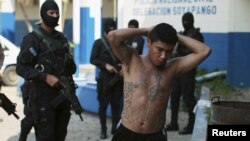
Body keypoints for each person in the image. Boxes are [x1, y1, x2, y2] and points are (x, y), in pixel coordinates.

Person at [107, 23, 211, 141]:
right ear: (149, 42)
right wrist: (147, 30)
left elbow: (205, 51)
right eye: (159, 49)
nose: (163, 56)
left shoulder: (173, 68)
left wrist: (175, 36)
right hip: (127, 133)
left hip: (155, 135)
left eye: (168, 51)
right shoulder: (132, 60)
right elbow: (112, 36)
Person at [16, 0, 76, 141]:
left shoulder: (61, 38)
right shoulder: (32, 39)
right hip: (42, 99)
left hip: (62, 97)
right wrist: (44, 77)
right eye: (51, 13)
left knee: (60, 136)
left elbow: (71, 69)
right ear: (43, 14)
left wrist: (68, 65)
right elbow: (21, 68)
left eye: (57, 13)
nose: (55, 16)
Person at [165, 12, 204, 135]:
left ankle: (191, 125)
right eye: (183, 20)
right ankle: (174, 123)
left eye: (187, 21)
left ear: (192, 21)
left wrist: (181, 47)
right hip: (178, 71)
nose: (185, 23)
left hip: (188, 72)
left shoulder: (197, 35)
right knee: (174, 97)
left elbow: (194, 52)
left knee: (188, 100)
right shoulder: (182, 35)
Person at [90, 19, 124, 139]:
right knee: (103, 106)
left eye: (113, 29)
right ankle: (103, 129)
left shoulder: (119, 43)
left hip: (117, 80)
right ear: (105, 31)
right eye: (109, 29)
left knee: (116, 106)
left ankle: (115, 127)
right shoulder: (99, 43)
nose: (111, 31)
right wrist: (105, 66)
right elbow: (92, 59)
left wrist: (122, 64)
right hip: (104, 81)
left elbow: (125, 58)